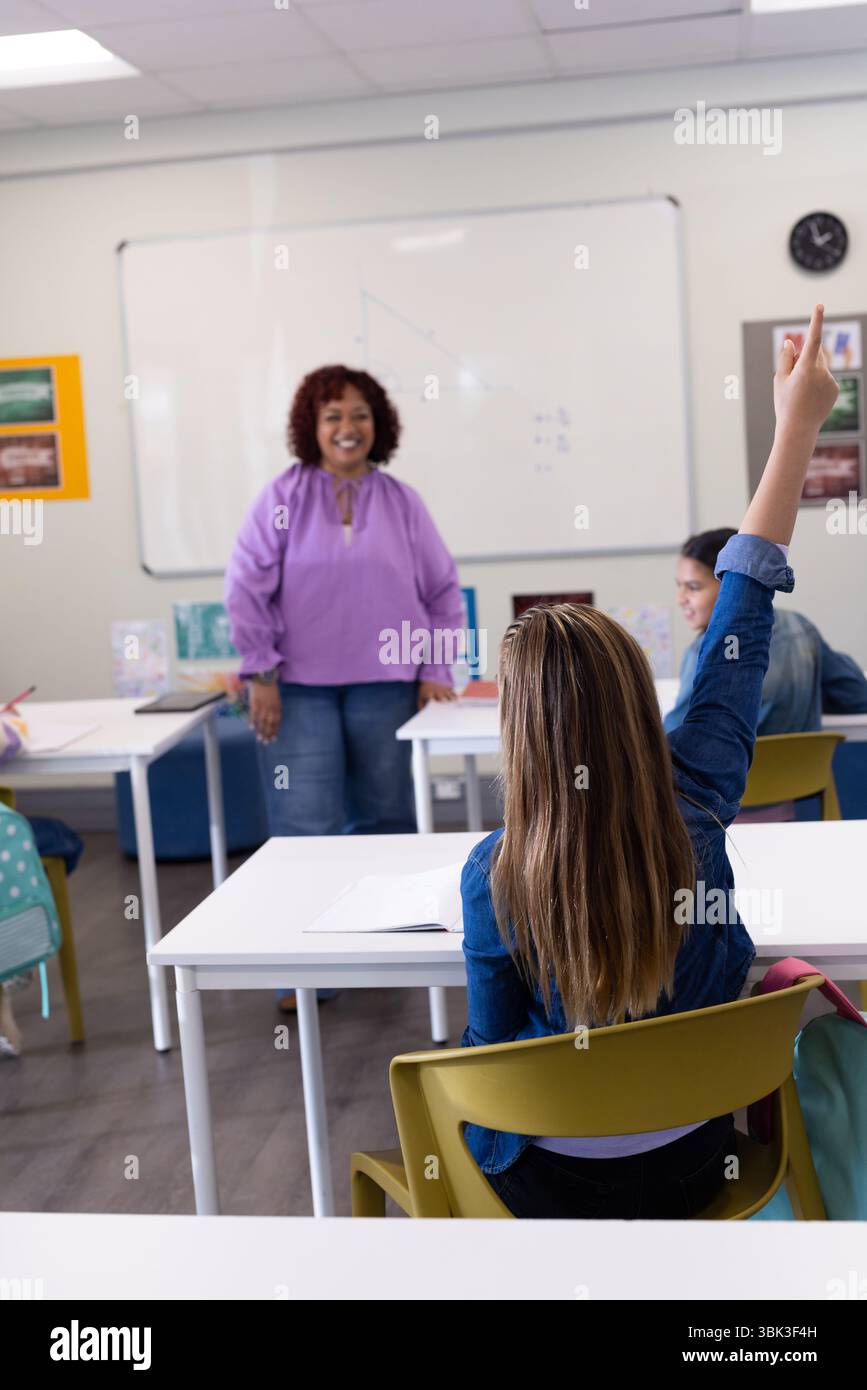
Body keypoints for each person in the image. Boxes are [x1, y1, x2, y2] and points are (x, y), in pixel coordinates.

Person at [459, 305, 839, 1219]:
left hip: (552, 1187)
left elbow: (490, 1053)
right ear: (639, 701)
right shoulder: (697, 794)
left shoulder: (494, 876)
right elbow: (742, 607)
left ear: (521, 736)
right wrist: (794, 426)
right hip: (700, 1157)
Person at [225, 365, 463, 1011]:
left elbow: (442, 592)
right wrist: (262, 673)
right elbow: (244, 589)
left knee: (388, 820)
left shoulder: (402, 501)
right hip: (296, 689)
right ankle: (307, 970)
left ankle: (393, 950)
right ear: (311, 427)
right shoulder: (282, 496)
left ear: (377, 424)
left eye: (358, 414)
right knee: (306, 830)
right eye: (332, 416)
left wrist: (436, 670)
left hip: (388, 685)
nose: (346, 428)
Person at [665, 526, 867, 734]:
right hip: (804, 766)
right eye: (679, 586)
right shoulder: (799, 628)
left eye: (693, 587)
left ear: (732, 586)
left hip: (746, 767)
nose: (680, 599)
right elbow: (857, 696)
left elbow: (675, 733)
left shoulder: (704, 650)